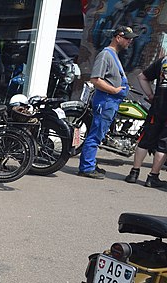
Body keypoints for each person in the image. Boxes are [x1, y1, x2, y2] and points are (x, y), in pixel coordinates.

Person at [78, 26, 135, 180]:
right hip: (106, 101)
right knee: (96, 135)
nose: (130, 41)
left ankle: (91, 163)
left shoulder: (113, 55)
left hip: (111, 102)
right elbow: (95, 79)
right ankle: (87, 167)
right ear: (118, 37)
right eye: (127, 38)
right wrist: (114, 90)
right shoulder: (105, 55)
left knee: (99, 133)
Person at [123, 56, 167, 188]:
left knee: (145, 140)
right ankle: (152, 177)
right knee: (163, 144)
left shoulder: (164, 60)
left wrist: (151, 96)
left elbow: (142, 77)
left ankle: (134, 173)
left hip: (157, 106)